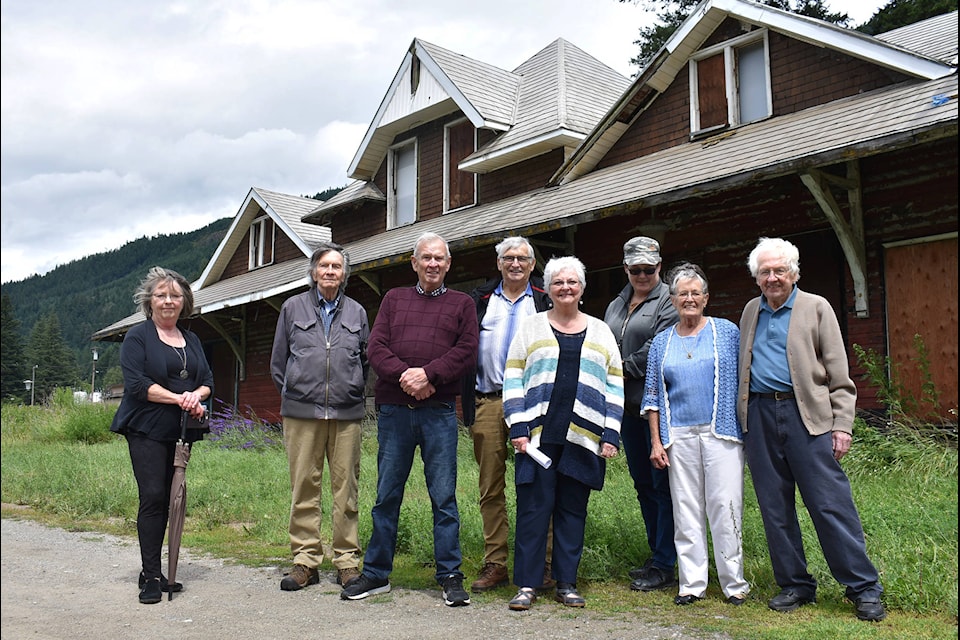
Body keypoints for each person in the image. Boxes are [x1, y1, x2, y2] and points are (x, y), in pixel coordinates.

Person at [737, 237, 886, 622]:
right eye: (765, 272)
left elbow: (839, 375)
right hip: (760, 418)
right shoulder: (751, 311)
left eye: (779, 270)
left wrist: (843, 426)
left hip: (809, 419)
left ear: (794, 273)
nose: (772, 277)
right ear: (756, 278)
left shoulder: (816, 307)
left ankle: (863, 587)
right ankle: (795, 585)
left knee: (829, 504)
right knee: (774, 508)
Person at [340, 232, 479, 607]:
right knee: (387, 494)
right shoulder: (394, 299)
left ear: (448, 264)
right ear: (414, 263)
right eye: (425, 258)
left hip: (439, 413)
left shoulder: (462, 303)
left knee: (444, 496)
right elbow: (376, 347)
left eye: (439, 258)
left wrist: (429, 376)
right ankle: (376, 573)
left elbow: (467, 352)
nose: (432, 264)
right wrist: (407, 377)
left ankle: (449, 575)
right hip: (395, 412)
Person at [503, 256, 623, 611]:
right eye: (558, 282)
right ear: (549, 289)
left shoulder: (601, 331)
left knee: (573, 511)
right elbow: (513, 376)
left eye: (572, 282)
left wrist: (610, 433)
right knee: (533, 510)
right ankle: (527, 584)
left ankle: (566, 583)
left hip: (582, 438)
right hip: (537, 439)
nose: (566, 288)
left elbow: (615, 383)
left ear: (582, 289)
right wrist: (518, 426)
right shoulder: (530, 327)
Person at [644, 263, 749, 606]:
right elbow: (653, 397)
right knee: (686, 509)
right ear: (672, 300)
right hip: (679, 436)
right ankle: (692, 583)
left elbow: (744, 380)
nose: (689, 299)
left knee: (725, 504)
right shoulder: (662, 342)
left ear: (706, 298)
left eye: (695, 293)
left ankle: (733, 583)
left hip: (721, 432)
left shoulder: (727, 331)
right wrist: (657, 441)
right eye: (682, 293)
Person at [110, 267, 213, 605]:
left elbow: (207, 381)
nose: (168, 301)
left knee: (173, 499)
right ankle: (152, 576)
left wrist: (195, 396)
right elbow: (138, 385)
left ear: (184, 302)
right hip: (145, 426)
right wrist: (182, 398)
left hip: (181, 430)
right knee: (153, 495)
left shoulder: (192, 339)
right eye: (161, 295)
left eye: (175, 296)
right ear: (149, 302)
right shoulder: (138, 336)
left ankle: (155, 567)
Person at [270, 243, 370, 592]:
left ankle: (346, 561)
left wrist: (352, 390)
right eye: (324, 266)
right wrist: (298, 393)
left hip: (346, 414)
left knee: (347, 490)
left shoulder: (357, 312)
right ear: (314, 272)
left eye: (337, 267)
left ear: (344, 275)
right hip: (302, 413)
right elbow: (279, 361)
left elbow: (365, 360)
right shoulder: (291, 308)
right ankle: (305, 561)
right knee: (304, 487)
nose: (330, 271)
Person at [461, 236, 554, 593]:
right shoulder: (479, 300)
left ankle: (540, 564)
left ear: (533, 265)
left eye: (523, 259)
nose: (515, 263)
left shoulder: (545, 301)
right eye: (509, 258)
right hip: (488, 401)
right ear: (498, 263)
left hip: (535, 407)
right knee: (490, 486)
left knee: (536, 484)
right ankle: (495, 562)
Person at [603, 236, 679, 591]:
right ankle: (656, 554)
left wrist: (618, 368)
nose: (643, 275)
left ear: (659, 267)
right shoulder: (618, 304)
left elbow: (659, 346)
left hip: (658, 410)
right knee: (643, 485)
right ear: (626, 270)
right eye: (636, 270)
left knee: (662, 486)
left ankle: (666, 563)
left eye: (649, 269)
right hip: (626, 409)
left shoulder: (669, 301)